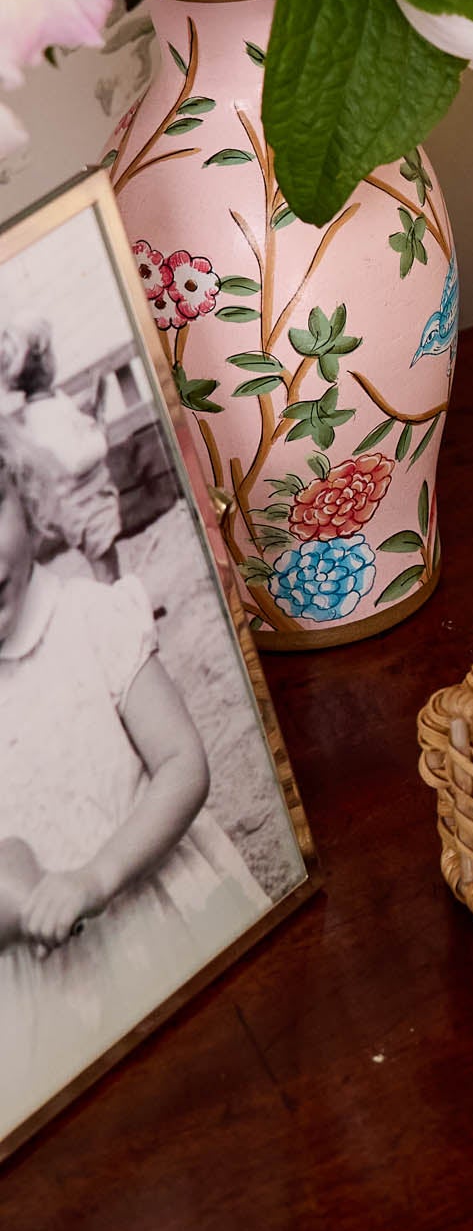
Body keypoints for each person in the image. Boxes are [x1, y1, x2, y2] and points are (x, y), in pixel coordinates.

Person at [0, 452, 267, 1128]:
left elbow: (183, 762)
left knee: (233, 1089)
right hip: (48, 989)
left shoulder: (89, 619)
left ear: (27, 498)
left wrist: (96, 876)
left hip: (157, 914)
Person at [0, 320, 121, 584]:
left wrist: (83, 412)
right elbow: (75, 460)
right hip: (84, 506)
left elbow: (63, 424)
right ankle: (117, 607)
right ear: (44, 363)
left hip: (86, 501)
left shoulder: (45, 404)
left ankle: (123, 602)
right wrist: (99, 438)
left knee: (109, 559)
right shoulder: (45, 415)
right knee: (105, 565)